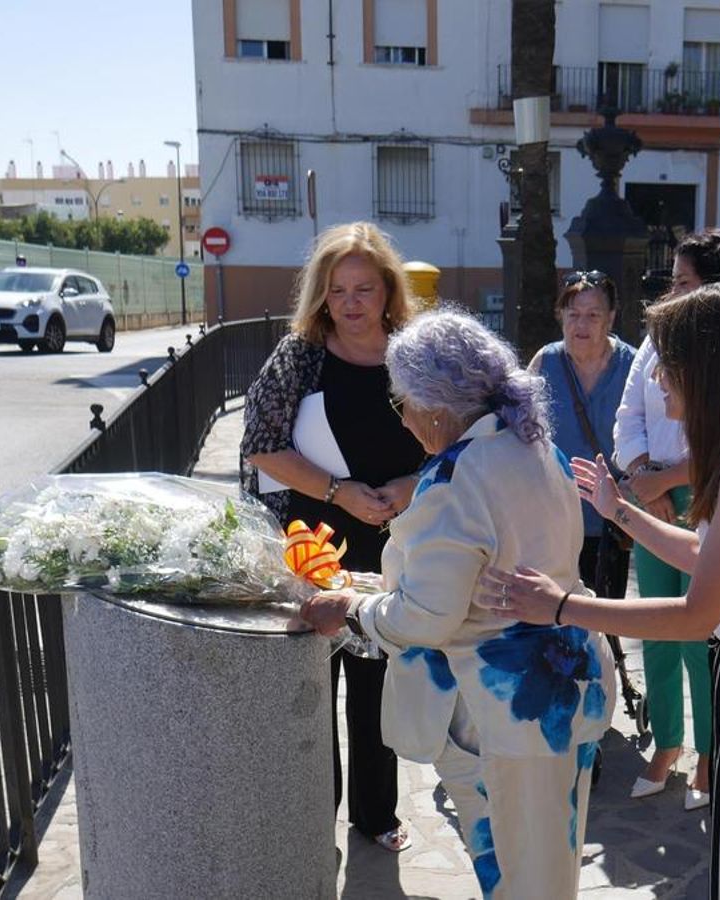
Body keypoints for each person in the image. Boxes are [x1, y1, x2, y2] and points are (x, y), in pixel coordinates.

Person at [478, 282, 720, 899]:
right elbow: (711, 560)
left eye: (668, 366)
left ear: (714, 368)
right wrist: (622, 510)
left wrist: (559, 607)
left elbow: (696, 612)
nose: (657, 381)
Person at [298, 310, 615, 899]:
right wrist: (368, 587)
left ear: (436, 406)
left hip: (501, 713)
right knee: (550, 867)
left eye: (404, 405)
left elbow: (427, 616)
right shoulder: (529, 445)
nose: (406, 421)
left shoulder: (455, 476)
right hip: (561, 691)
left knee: (519, 880)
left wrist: (351, 609)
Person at [241, 221, 422, 854]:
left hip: (397, 536)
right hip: (312, 538)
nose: (350, 302)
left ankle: (377, 814)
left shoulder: (414, 354)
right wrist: (340, 490)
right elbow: (262, 447)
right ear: (321, 293)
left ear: (387, 291)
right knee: (316, 680)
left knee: (379, 678)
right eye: (338, 289)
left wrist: (406, 487)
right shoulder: (299, 355)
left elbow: (459, 439)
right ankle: (317, 812)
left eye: (364, 289)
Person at [612, 228, 720, 810]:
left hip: (705, 496)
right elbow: (628, 413)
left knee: (700, 636)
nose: (672, 292)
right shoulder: (657, 343)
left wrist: (670, 479)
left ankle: (711, 754)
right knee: (655, 635)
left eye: (685, 282)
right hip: (652, 500)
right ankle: (667, 743)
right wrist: (641, 478)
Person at [528, 271, 637, 599]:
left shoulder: (632, 365)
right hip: (554, 522)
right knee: (556, 622)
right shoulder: (545, 362)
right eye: (572, 314)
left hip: (612, 522)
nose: (581, 325)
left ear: (611, 318)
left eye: (593, 315)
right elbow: (518, 432)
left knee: (607, 625)